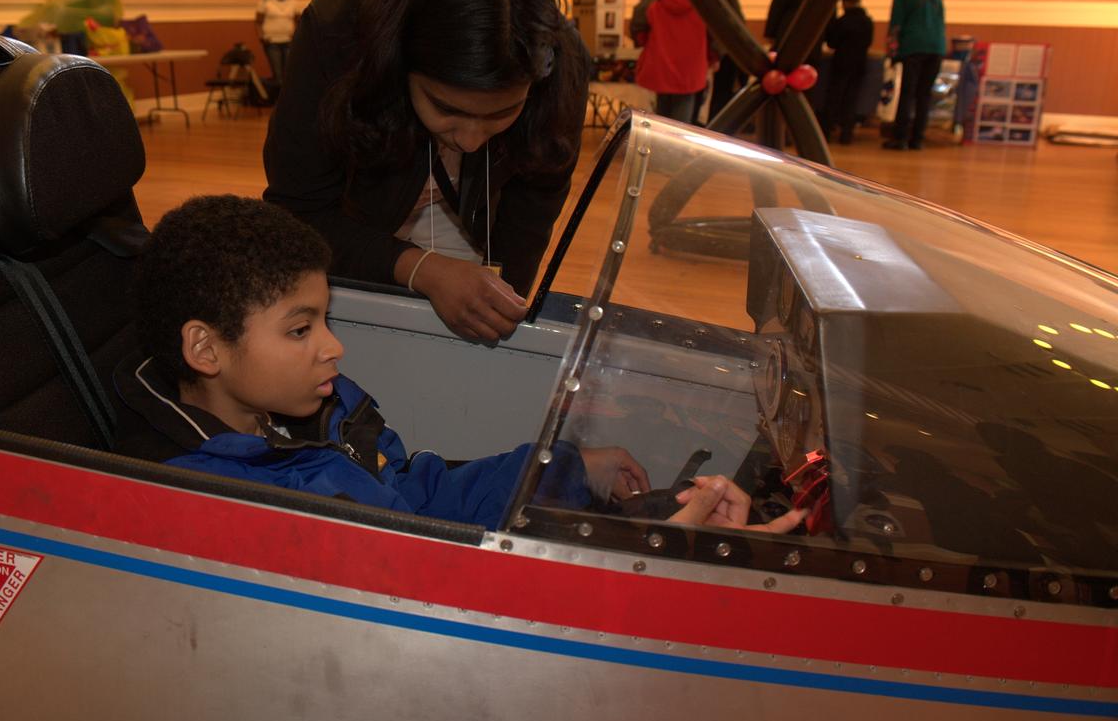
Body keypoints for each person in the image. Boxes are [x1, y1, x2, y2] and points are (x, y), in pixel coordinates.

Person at [115, 194, 807, 536]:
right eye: (301, 329)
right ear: (205, 349)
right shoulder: (228, 506)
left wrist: (564, 468)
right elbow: (432, 597)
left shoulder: (310, 411)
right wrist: (648, 559)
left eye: (326, 319)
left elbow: (417, 493)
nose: (334, 347)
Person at [263, 0, 590, 343]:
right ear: (399, 65)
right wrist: (419, 267)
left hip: (465, 214)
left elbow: (533, 208)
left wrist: (504, 303)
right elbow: (296, 214)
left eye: (502, 113)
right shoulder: (338, 33)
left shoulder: (561, 65)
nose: (471, 140)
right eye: (447, 109)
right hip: (351, 217)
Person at [631, 0, 711, 126]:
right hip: (691, 67)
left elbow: (638, 25)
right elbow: (715, 31)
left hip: (661, 63)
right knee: (682, 124)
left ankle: (662, 148)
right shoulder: (701, 0)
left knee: (662, 118)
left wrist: (643, 40)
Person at [884, 0, 945, 151]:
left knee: (907, 94)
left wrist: (892, 53)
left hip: (913, 49)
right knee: (923, 96)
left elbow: (896, 25)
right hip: (936, 50)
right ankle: (917, 139)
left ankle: (900, 138)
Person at [820, 0, 873, 144]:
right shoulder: (867, 22)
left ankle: (826, 132)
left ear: (844, 2)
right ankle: (846, 134)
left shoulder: (842, 21)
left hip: (842, 62)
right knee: (852, 99)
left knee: (834, 97)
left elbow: (832, 43)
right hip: (859, 63)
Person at [705, 0, 746, 122]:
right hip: (725, 47)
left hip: (702, 47)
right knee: (722, 92)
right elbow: (738, 22)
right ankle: (720, 123)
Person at [255, 0, 301, 86]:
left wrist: (296, 36)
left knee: (289, 73)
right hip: (271, 42)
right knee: (278, 74)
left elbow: (299, 21)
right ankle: (278, 100)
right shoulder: (265, 2)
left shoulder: (293, 2)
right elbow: (258, 22)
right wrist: (261, 36)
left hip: (289, 42)